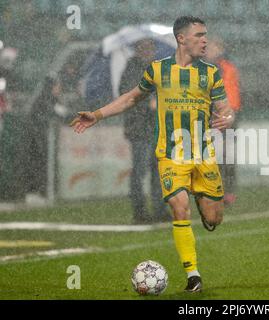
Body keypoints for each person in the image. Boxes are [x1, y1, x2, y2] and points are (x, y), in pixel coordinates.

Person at [70, 16, 235, 293]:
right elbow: (131, 97)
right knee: (178, 208)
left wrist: (227, 117)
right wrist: (97, 115)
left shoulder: (210, 73)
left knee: (213, 218)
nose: (205, 40)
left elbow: (225, 107)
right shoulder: (158, 70)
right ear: (181, 39)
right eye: (199, 35)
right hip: (171, 155)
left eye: (205, 35)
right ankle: (193, 275)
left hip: (203, 155)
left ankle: (199, 196)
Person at [120, 39, 171, 224]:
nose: (150, 53)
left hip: (153, 128)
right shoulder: (133, 69)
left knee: (156, 171)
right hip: (140, 128)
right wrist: (149, 102)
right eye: (147, 49)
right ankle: (140, 211)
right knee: (141, 171)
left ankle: (158, 209)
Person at [205, 37, 241, 206]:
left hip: (226, 116)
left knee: (227, 156)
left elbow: (231, 94)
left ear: (220, 49)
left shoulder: (226, 68)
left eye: (212, 47)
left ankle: (229, 191)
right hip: (211, 116)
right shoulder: (203, 68)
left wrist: (227, 113)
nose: (209, 50)